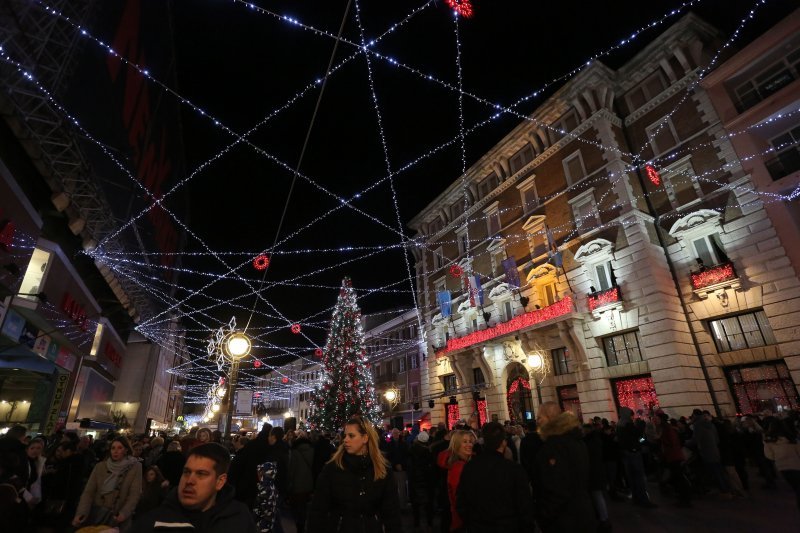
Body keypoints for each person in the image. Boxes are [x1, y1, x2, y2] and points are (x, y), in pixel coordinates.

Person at [131, 443, 257, 532]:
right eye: (186, 472)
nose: (190, 481)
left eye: (201, 474)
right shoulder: (153, 522)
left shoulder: (239, 518)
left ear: (220, 481)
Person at [306, 416, 402, 532]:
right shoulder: (332, 468)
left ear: (365, 438)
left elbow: (392, 513)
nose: (345, 439)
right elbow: (318, 510)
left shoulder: (382, 469)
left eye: (351, 436)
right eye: (345, 435)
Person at [456, 422, 535, 532]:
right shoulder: (514, 470)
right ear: (503, 443)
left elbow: (461, 502)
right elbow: (525, 507)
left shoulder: (470, 467)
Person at [534, 402, 595, 533]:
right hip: (583, 513)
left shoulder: (553, 446)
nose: (537, 421)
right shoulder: (577, 440)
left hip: (564, 520)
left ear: (550, 417)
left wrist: (543, 517)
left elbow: (556, 488)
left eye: (540, 417)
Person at [73, 435, 142, 531]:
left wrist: (124, 513)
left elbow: (134, 493)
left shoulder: (135, 467)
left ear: (126, 450)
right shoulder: (100, 466)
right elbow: (89, 492)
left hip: (117, 516)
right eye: (113, 448)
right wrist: (82, 512)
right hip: (97, 513)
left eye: (120, 448)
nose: (115, 451)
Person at [437, 429, 475, 532]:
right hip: (461, 521)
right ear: (457, 444)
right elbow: (459, 498)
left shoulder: (461, 463)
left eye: (470, 441)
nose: (469, 444)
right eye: (465, 441)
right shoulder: (459, 466)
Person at [763, 418, 800, 509]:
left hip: (782, 467)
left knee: (797, 488)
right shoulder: (792, 438)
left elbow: (769, 456)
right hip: (797, 465)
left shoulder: (769, 441)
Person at [287, 429, 314, 533]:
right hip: (309, 483)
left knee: (297, 507)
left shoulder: (295, 452)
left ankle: (299, 525)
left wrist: (289, 482)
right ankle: (303, 523)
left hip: (297, 484)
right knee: (304, 506)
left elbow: (291, 470)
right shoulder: (312, 451)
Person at [408, 430, 436, 531]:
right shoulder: (428, 452)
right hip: (427, 481)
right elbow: (432, 467)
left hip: (415, 480)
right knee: (428, 505)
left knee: (416, 505)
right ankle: (429, 523)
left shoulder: (411, 450)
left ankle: (416, 523)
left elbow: (409, 466)